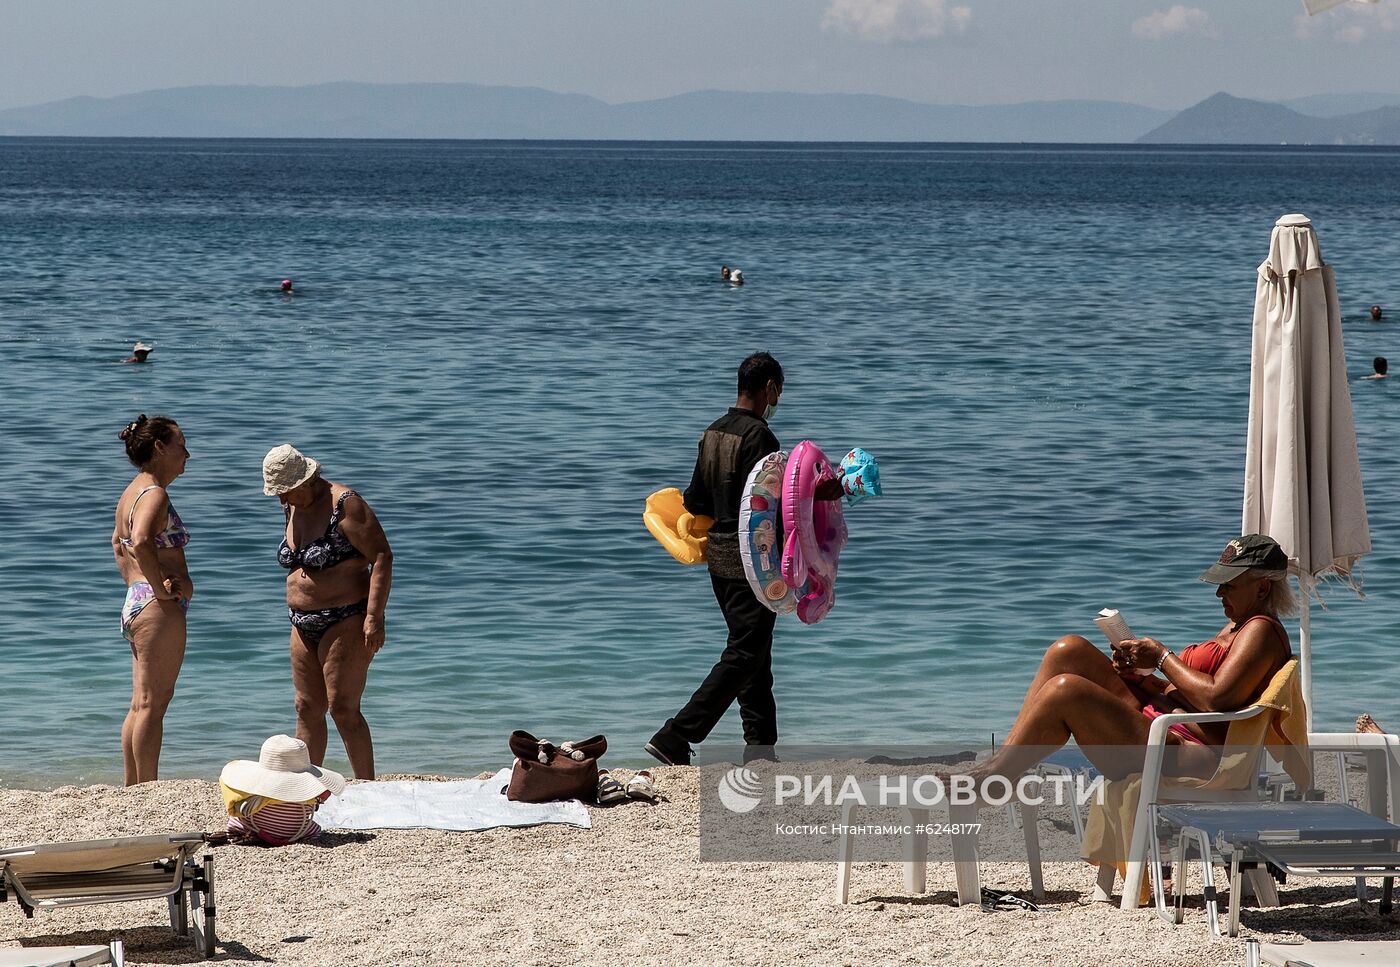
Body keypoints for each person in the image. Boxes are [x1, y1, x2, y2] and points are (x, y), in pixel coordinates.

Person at [962, 534, 1296, 783]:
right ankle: (1003, 764)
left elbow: (1216, 698)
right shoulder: (1240, 626)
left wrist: (1162, 656)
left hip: (1193, 753)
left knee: (1065, 690)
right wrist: (1142, 675)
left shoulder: (1261, 630)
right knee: (1068, 650)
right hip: (1167, 725)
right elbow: (1197, 695)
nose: (1219, 593)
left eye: (1229, 585)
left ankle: (994, 778)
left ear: (1262, 589)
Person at [646, 353, 785, 767]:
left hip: (718, 560)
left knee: (754, 652)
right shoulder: (762, 439)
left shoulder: (712, 433)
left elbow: (694, 500)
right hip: (752, 560)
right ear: (770, 389)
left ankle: (760, 750)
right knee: (745, 653)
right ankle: (675, 735)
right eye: (779, 392)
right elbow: (771, 506)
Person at [263, 444, 392, 779]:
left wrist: (374, 617)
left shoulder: (345, 504)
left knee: (343, 709)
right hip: (302, 623)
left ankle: (367, 785)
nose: (282, 501)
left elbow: (381, 557)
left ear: (307, 481)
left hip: (346, 617)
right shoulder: (293, 505)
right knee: (306, 708)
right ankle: (304, 787)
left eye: (286, 492)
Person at [111, 415, 192, 785]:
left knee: (140, 703)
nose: (187, 454)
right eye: (180, 444)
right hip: (155, 607)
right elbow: (141, 540)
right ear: (159, 447)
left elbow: (119, 544)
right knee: (153, 705)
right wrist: (159, 589)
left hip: (136, 602)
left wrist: (137, 585)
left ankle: (133, 787)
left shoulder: (131, 492)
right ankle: (148, 788)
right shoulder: (154, 493)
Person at [219, 734, 346, 845]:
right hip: (295, 830)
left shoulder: (255, 790)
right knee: (314, 828)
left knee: (238, 816)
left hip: (254, 825)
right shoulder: (309, 794)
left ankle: (248, 833)